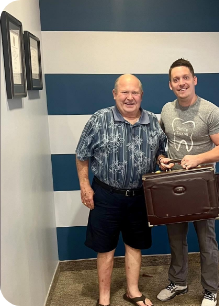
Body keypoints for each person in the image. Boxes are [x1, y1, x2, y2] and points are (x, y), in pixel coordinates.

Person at [75, 74, 167, 306]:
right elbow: (82, 155)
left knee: (135, 244)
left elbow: (160, 151)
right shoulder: (99, 119)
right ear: (115, 94)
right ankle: (104, 298)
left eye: (134, 92)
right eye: (124, 92)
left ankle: (132, 291)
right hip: (106, 195)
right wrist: (85, 186)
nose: (129, 97)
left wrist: (162, 159)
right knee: (105, 248)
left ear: (141, 95)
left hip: (139, 196)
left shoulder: (153, 121)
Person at [157, 59, 219, 306]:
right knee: (176, 238)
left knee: (206, 240)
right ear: (170, 84)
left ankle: (210, 289)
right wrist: (161, 158)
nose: (182, 83)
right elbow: (161, 144)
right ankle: (178, 282)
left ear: (194, 79)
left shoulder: (211, 111)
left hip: (203, 186)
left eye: (185, 77)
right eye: (176, 79)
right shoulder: (166, 110)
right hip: (174, 184)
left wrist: (199, 158)